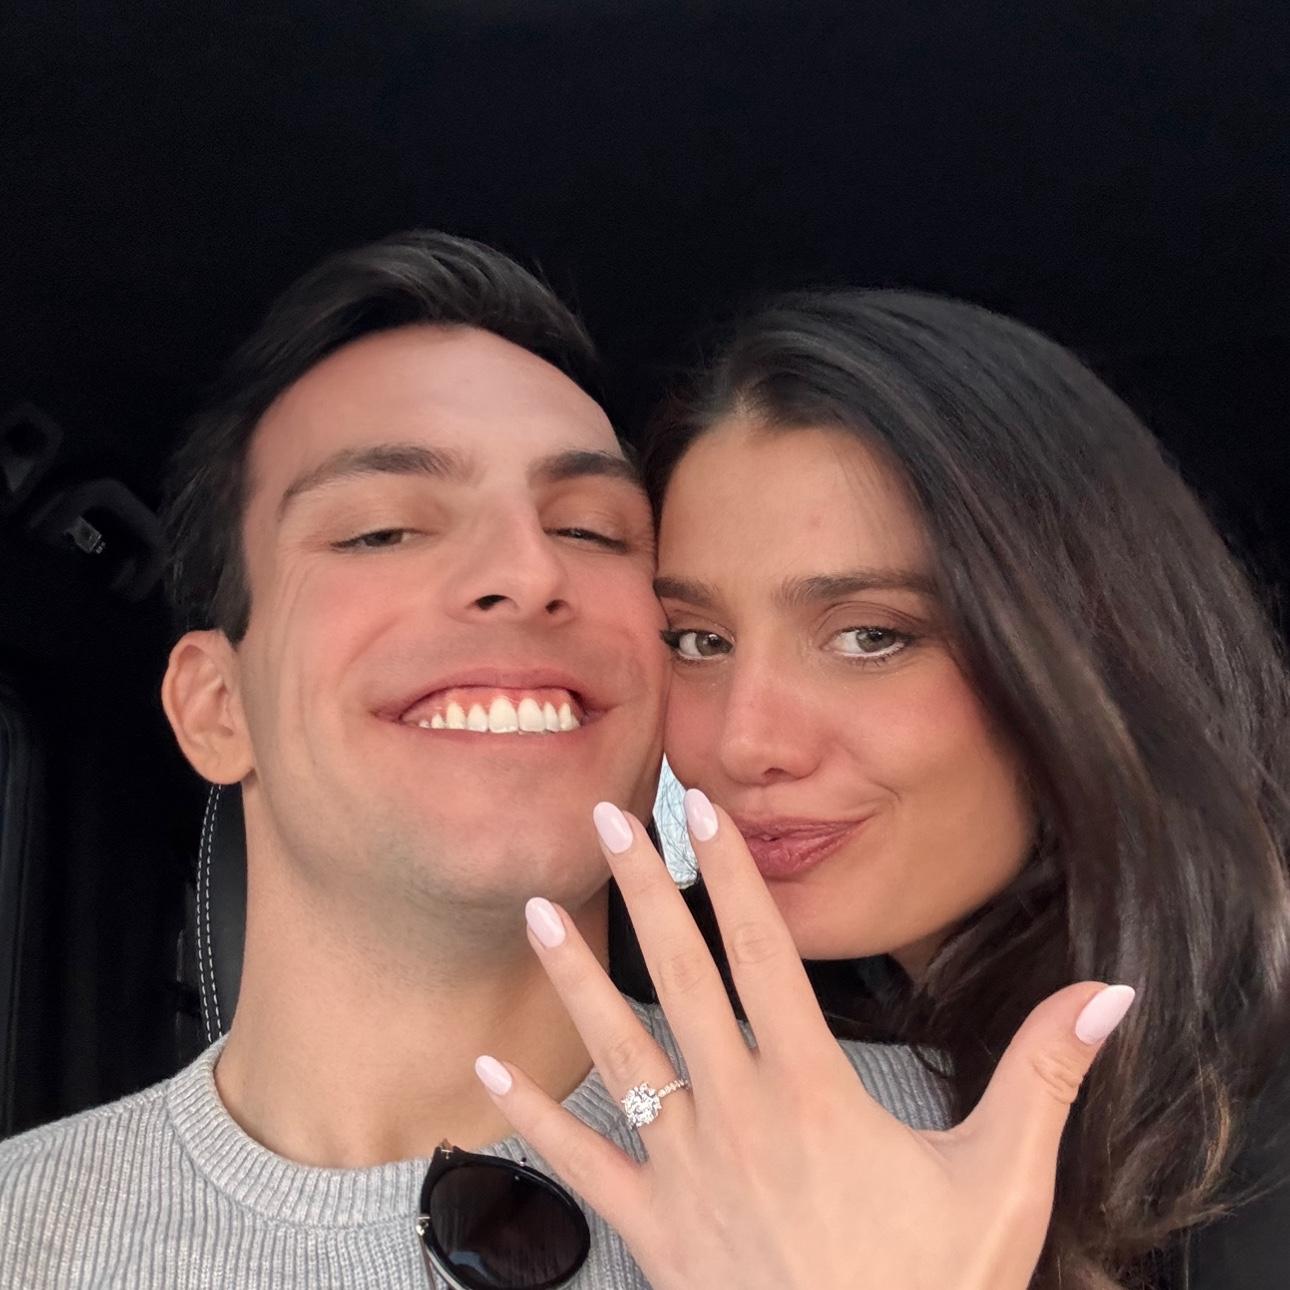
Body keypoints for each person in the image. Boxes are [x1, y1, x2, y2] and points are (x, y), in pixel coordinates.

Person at [0, 237, 1103, 1288]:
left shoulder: (992, 1151)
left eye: (592, 531)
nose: (528, 573)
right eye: (381, 529)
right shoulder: (27, 1229)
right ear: (215, 706)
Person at [480, 291, 1290, 1289]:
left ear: (1094, 653)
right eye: (698, 640)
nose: (745, 742)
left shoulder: (1252, 1148)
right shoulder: (760, 1045)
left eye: (871, 636)